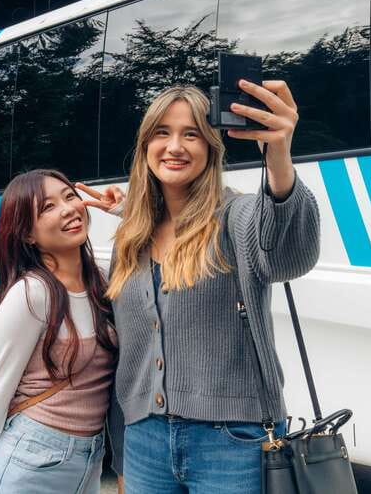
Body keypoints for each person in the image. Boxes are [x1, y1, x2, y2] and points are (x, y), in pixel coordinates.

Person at [77, 81, 320, 493]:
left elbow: (285, 257)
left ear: (210, 148)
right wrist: (122, 449)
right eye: (162, 133)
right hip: (145, 440)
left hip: (233, 442)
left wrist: (279, 157)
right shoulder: (131, 238)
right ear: (145, 146)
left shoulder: (235, 216)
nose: (175, 146)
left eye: (191, 134)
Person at [0, 169, 118, 494]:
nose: (68, 209)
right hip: (30, 459)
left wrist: (127, 212)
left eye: (69, 197)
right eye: (47, 207)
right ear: (28, 234)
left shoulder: (102, 280)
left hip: (87, 458)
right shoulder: (31, 294)